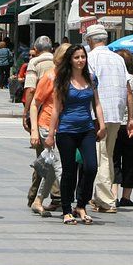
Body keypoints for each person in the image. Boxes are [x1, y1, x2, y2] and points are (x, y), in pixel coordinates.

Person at [45, 44, 107, 225]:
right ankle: (66, 209)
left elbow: (96, 103)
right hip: (66, 131)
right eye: (77, 57)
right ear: (70, 60)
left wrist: (101, 125)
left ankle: (81, 204)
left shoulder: (91, 78)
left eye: (83, 57)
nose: (81, 60)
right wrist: (50, 134)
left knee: (91, 167)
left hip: (87, 129)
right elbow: (56, 109)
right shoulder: (62, 80)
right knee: (69, 171)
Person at [84, 23, 133, 214]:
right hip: (116, 112)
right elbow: (127, 88)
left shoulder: (91, 58)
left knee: (101, 156)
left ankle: (107, 200)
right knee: (108, 154)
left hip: (98, 115)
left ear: (90, 41)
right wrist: (129, 116)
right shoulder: (118, 59)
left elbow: (90, 87)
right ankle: (101, 197)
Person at [28, 39, 61, 217]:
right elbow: (37, 98)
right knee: (54, 164)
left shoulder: (34, 62)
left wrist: (25, 114)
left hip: (56, 123)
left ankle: (37, 197)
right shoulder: (51, 74)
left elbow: (30, 90)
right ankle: (57, 198)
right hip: (47, 122)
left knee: (50, 163)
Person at [113, 52, 133, 208]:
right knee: (132, 161)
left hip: (115, 122)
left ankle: (113, 194)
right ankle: (126, 197)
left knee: (114, 158)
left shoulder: (113, 80)